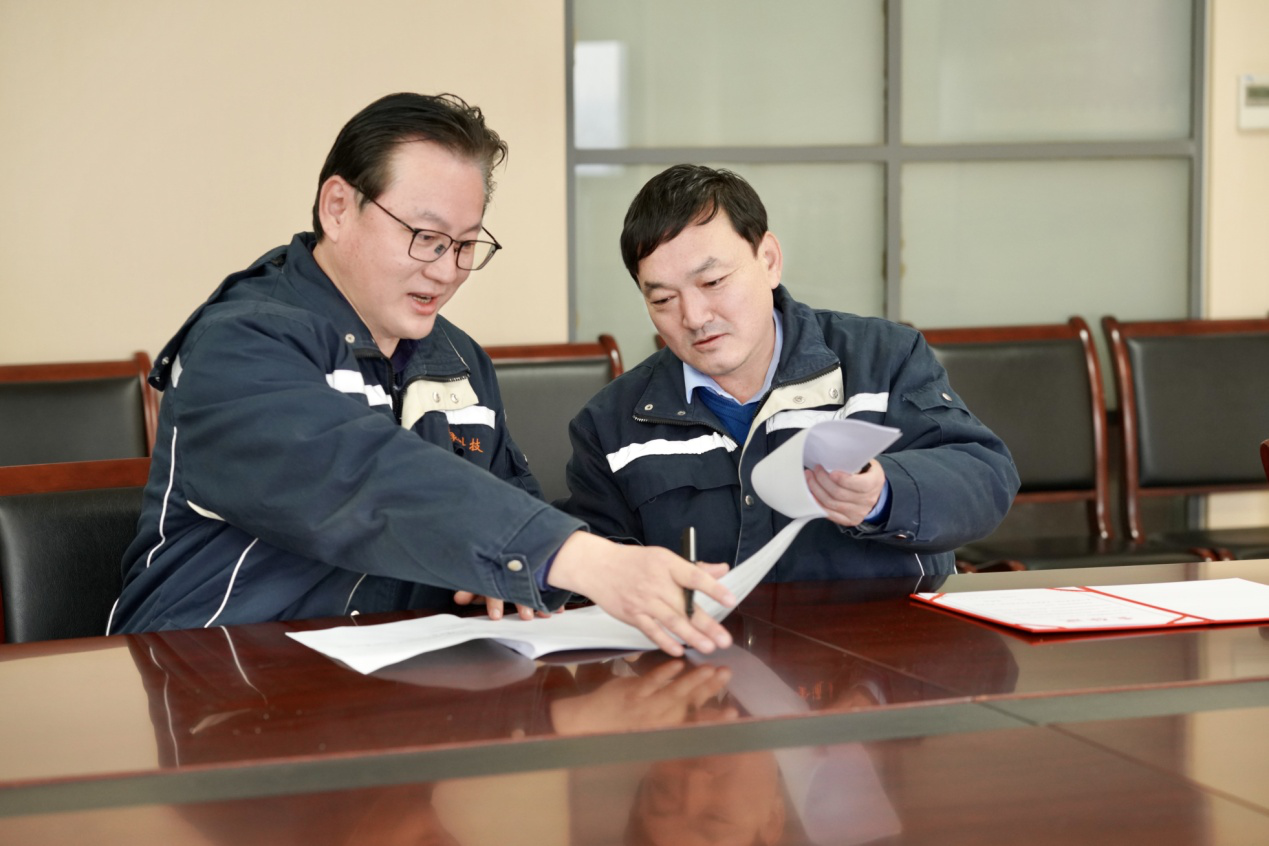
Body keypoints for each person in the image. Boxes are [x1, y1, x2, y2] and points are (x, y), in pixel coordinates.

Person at [108, 94, 734, 656]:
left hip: (395, 683)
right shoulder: (240, 344)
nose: (445, 270)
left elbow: (501, 510)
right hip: (215, 675)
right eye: (427, 237)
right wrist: (572, 557)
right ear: (338, 207)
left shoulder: (457, 359)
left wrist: (505, 576)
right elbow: (361, 478)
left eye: (464, 245)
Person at [558, 164, 1019, 579]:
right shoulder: (611, 423)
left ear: (769, 260)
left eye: (713, 282)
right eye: (662, 299)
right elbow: (595, 568)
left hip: (888, 641)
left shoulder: (883, 359)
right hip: (711, 645)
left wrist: (884, 492)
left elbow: (986, 479)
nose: (694, 317)